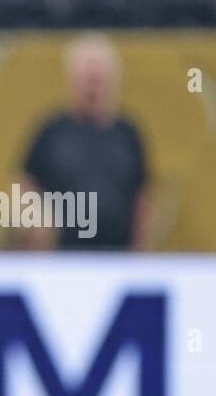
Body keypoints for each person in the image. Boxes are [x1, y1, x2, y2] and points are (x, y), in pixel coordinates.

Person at [16, 34, 152, 251]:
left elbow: (141, 197)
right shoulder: (52, 131)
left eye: (98, 79)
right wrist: (37, 228)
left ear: (113, 80)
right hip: (63, 257)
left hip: (117, 256)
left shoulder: (128, 133)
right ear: (72, 80)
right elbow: (25, 185)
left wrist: (140, 249)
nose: (93, 87)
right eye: (87, 79)